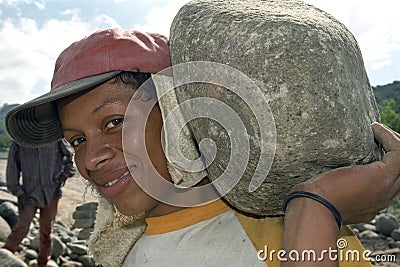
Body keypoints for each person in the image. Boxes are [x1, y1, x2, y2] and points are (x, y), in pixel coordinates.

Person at [4, 28, 400, 267]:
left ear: (179, 110)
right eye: (77, 140)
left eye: (114, 122)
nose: (90, 158)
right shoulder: (123, 250)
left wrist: (317, 209)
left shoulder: (280, 223)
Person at [3, 140, 75, 267]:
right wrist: (18, 191)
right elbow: (12, 168)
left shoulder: (55, 139)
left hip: (52, 192)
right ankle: (5, 256)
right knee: (22, 227)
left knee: (46, 231)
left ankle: (43, 263)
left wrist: (63, 176)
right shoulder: (19, 142)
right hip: (28, 194)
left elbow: (71, 156)